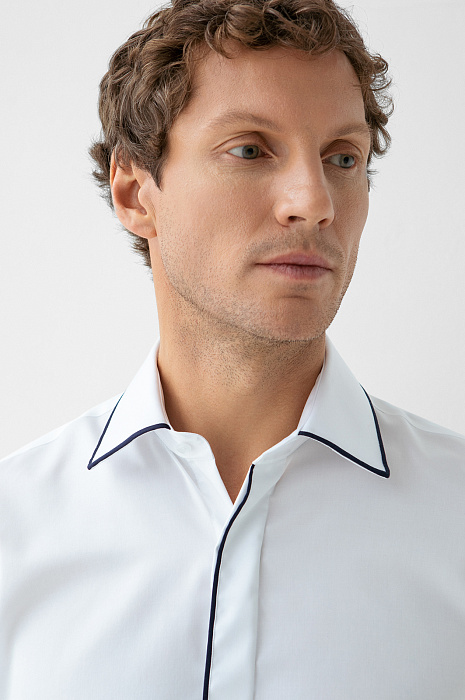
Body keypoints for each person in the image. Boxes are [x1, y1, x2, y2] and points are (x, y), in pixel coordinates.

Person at [1, 0, 464, 697]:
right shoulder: (14, 530)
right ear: (135, 193)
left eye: (342, 158)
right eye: (249, 149)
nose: (314, 202)